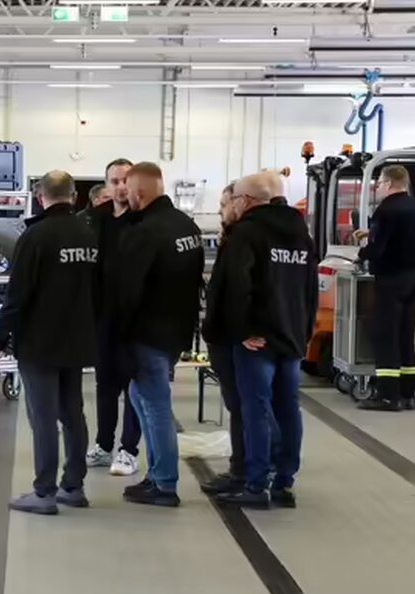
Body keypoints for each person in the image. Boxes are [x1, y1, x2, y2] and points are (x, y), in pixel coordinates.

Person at [0, 170, 97, 515]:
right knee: (72, 413)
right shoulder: (89, 234)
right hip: (78, 339)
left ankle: (44, 491)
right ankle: (73, 486)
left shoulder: (36, 236)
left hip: (40, 343)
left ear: (39, 197)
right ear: (74, 197)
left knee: (43, 417)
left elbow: (17, 294)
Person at [211, 172, 317, 509]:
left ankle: (255, 485)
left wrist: (242, 330)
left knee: (255, 409)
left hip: (257, 341)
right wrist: (305, 330)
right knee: (288, 409)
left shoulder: (247, 232)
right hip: (292, 335)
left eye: (237, 199)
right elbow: (310, 289)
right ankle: (284, 483)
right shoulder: (302, 233)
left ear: (246, 201)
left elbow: (235, 287)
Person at [115, 162, 204, 507]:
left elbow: (129, 290)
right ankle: (156, 476)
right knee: (142, 399)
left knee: (154, 406)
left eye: (128, 190)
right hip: (175, 331)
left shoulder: (146, 232)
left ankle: (164, 483)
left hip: (147, 334)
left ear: (140, 193)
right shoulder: (187, 226)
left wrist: (116, 335)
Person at [85, 158, 143, 477]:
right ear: (106, 185)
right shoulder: (96, 221)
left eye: (126, 180)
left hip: (136, 323)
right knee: (105, 385)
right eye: (115, 180)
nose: (121, 186)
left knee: (133, 388)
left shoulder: (145, 221)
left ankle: (128, 450)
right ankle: (104, 445)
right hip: (103, 319)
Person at [354, 165, 415, 411]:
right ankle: (407, 394)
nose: (378, 188)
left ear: (388, 183)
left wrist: (362, 252)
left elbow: (378, 248)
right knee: (405, 336)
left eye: (380, 184)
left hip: (390, 280)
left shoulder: (386, 210)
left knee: (385, 336)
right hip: (413, 279)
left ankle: (387, 396)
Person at [199, 183, 248, 495]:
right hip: (227, 338)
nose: (220, 211)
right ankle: (243, 467)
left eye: (223, 205)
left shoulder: (245, 240)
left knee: (244, 409)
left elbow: (244, 292)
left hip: (235, 340)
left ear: (240, 203)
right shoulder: (235, 238)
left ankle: (244, 472)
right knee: (241, 408)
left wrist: (247, 330)